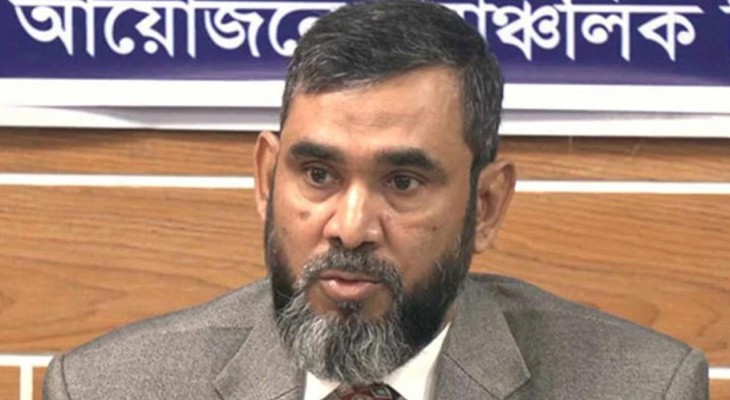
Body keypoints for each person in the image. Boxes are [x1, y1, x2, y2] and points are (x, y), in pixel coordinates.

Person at [43, 1, 708, 399]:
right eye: (318, 174)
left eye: (403, 182)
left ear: (485, 206)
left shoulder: (640, 386)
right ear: (266, 178)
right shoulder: (110, 388)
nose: (351, 227)